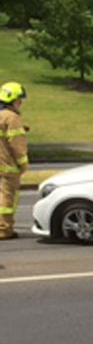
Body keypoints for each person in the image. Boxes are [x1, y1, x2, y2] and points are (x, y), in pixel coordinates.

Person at [0, 81, 29, 240]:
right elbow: (16, 145)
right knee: (6, 200)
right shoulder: (12, 118)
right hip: (7, 168)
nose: (21, 103)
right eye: (19, 99)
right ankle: (4, 229)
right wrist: (23, 164)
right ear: (12, 100)